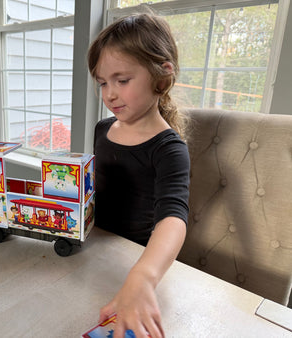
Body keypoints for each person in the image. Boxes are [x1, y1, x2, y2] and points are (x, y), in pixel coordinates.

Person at [88, 11, 190, 338]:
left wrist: (143, 276)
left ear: (162, 78)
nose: (109, 94)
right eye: (103, 82)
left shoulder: (169, 149)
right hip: (94, 255)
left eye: (122, 80)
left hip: (138, 267)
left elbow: (173, 217)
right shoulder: (103, 129)